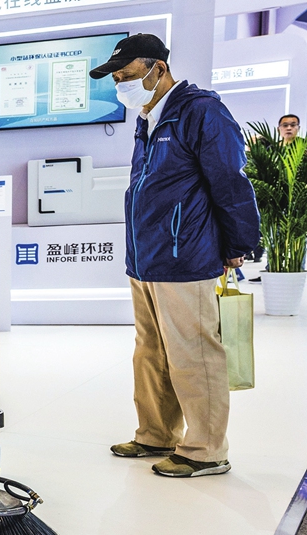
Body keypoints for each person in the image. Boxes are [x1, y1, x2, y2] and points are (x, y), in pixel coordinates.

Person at [90, 34, 260, 478]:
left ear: (157, 69)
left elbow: (230, 181)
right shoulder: (149, 118)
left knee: (193, 352)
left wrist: (239, 244)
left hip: (185, 256)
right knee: (151, 351)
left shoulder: (201, 111)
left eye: (126, 77)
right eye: (116, 80)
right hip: (145, 259)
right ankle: (157, 433)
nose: (121, 87)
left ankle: (205, 450)